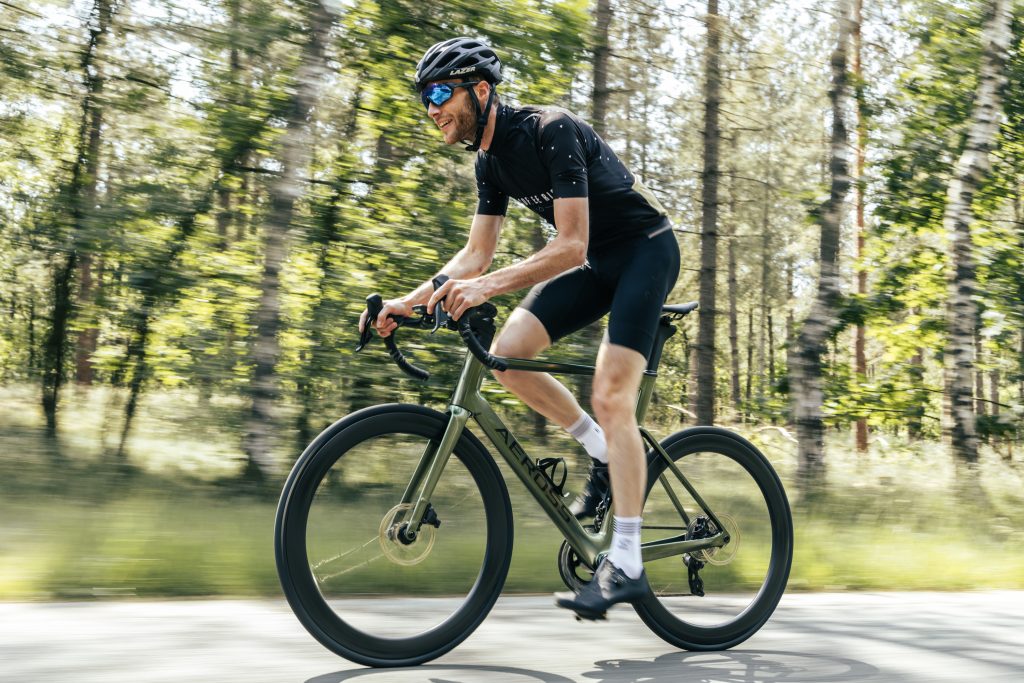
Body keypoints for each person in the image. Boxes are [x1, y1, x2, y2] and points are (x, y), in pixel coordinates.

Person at [359, 37, 680, 619]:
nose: (431, 108)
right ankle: (602, 451)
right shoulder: (489, 162)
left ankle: (628, 562)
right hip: (597, 263)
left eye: (440, 93)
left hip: (645, 251)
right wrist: (407, 303)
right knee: (507, 355)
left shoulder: (549, 130)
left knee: (612, 395)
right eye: (424, 98)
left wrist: (484, 289)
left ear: (481, 90)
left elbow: (571, 243)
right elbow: (474, 256)